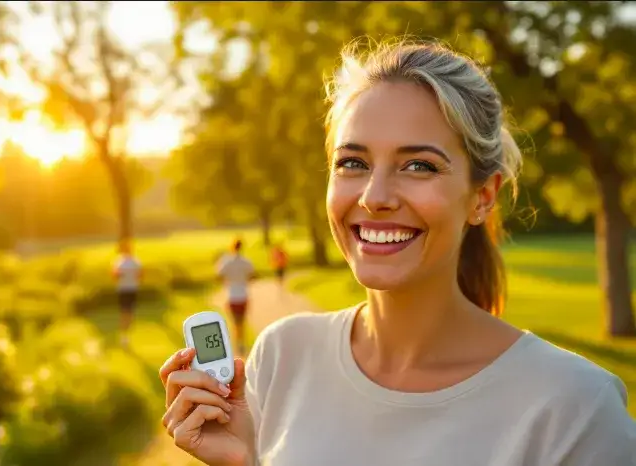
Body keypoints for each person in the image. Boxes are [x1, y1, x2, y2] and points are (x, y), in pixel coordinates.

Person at [159, 40, 636, 466]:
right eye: (353, 162)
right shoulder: (282, 356)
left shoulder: (576, 408)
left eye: (418, 165)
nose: (374, 195)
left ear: (482, 197)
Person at [216, 238, 255, 356]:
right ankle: (241, 342)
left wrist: (227, 281)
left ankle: (237, 344)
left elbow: (219, 275)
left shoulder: (226, 261)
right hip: (243, 295)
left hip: (232, 296)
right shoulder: (246, 261)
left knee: (234, 322)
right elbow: (252, 275)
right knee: (242, 322)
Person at [112, 240, 141, 349]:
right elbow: (140, 275)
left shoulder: (119, 261)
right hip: (130, 289)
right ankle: (125, 335)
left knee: (125, 312)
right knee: (128, 312)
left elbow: (115, 275)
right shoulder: (135, 261)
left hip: (125, 289)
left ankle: (125, 335)